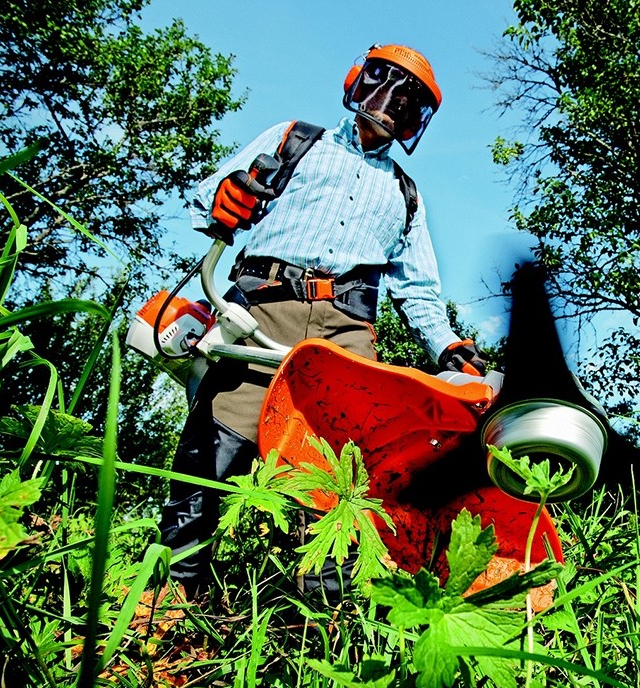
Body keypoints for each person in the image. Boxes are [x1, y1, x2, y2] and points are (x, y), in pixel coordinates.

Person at [158, 44, 486, 602]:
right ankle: (168, 600)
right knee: (217, 446)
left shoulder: (405, 194)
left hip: (346, 330)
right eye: (383, 86)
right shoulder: (295, 139)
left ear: (417, 121)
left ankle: (316, 620)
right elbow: (207, 198)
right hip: (264, 304)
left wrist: (448, 346)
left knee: (343, 473)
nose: (390, 106)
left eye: (408, 104)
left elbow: (419, 291)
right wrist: (225, 197)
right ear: (357, 82)